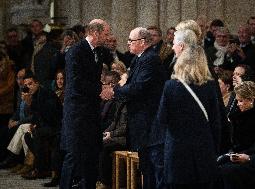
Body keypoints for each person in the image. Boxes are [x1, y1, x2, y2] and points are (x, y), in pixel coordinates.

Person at [100, 27, 166, 189]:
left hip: (148, 121)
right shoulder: (139, 58)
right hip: (140, 120)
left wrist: (114, 91)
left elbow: (138, 87)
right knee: (146, 165)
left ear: (143, 42)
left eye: (131, 40)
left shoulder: (150, 59)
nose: (128, 43)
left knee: (151, 165)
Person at [155, 45, 222, 189]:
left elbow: (162, 118)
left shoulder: (170, 86)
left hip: (177, 150)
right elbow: (216, 122)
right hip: (203, 150)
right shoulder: (210, 86)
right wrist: (214, 149)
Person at [61, 18, 111, 189]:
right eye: (105, 33)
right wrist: (101, 89)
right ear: (94, 33)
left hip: (91, 112)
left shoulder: (99, 51)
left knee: (92, 156)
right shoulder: (76, 51)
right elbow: (76, 82)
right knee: (74, 156)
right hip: (77, 113)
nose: (108, 36)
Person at [229, 81, 255, 153]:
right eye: (237, 101)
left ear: (251, 100)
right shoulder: (237, 115)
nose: (238, 104)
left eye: (241, 101)